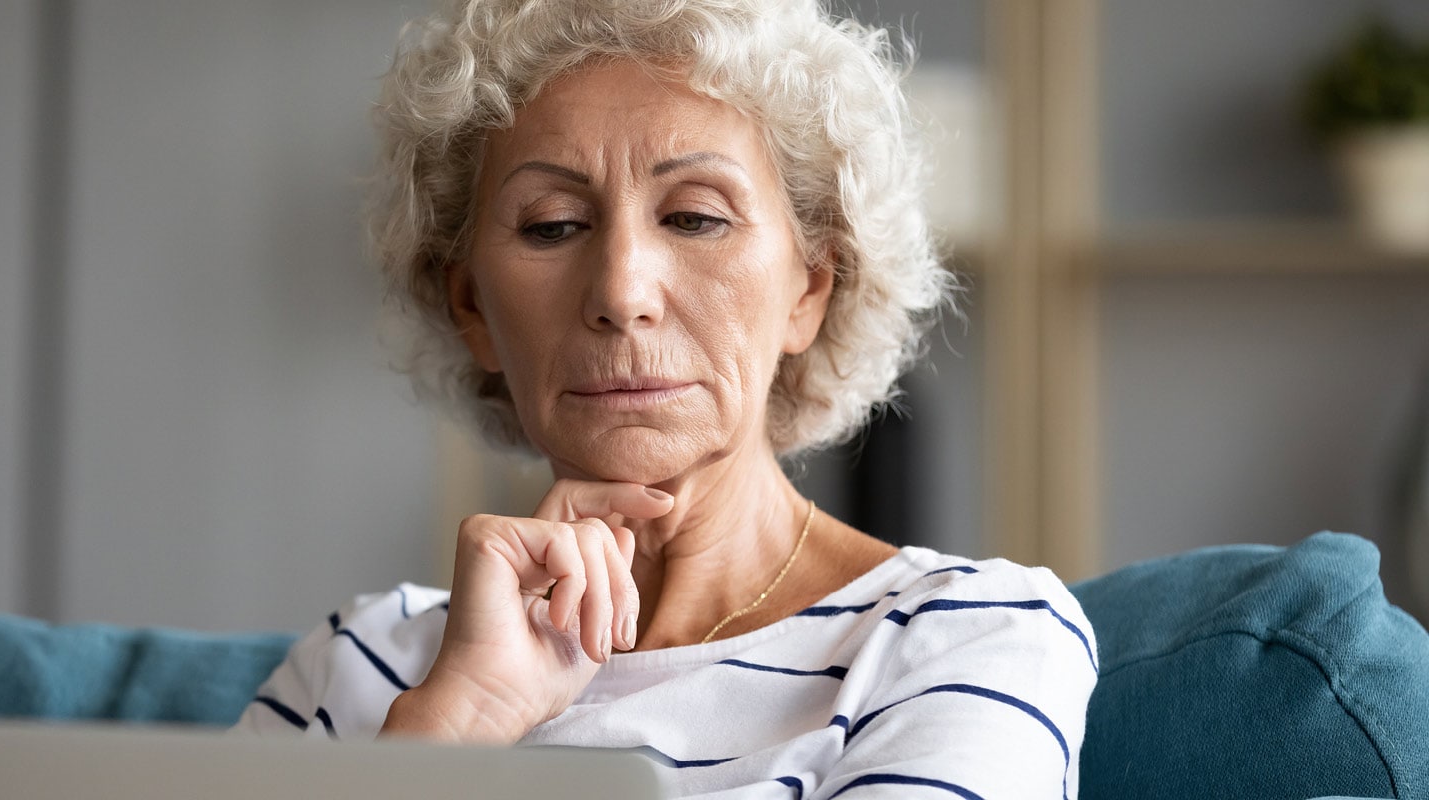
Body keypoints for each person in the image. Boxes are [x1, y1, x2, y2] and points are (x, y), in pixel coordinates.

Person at [237, 0, 1098, 796]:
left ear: (810, 288)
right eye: (552, 226)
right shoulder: (358, 664)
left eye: (694, 217)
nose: (621, 289)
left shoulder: (964, 636)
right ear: (474, 310)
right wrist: (458, 722)